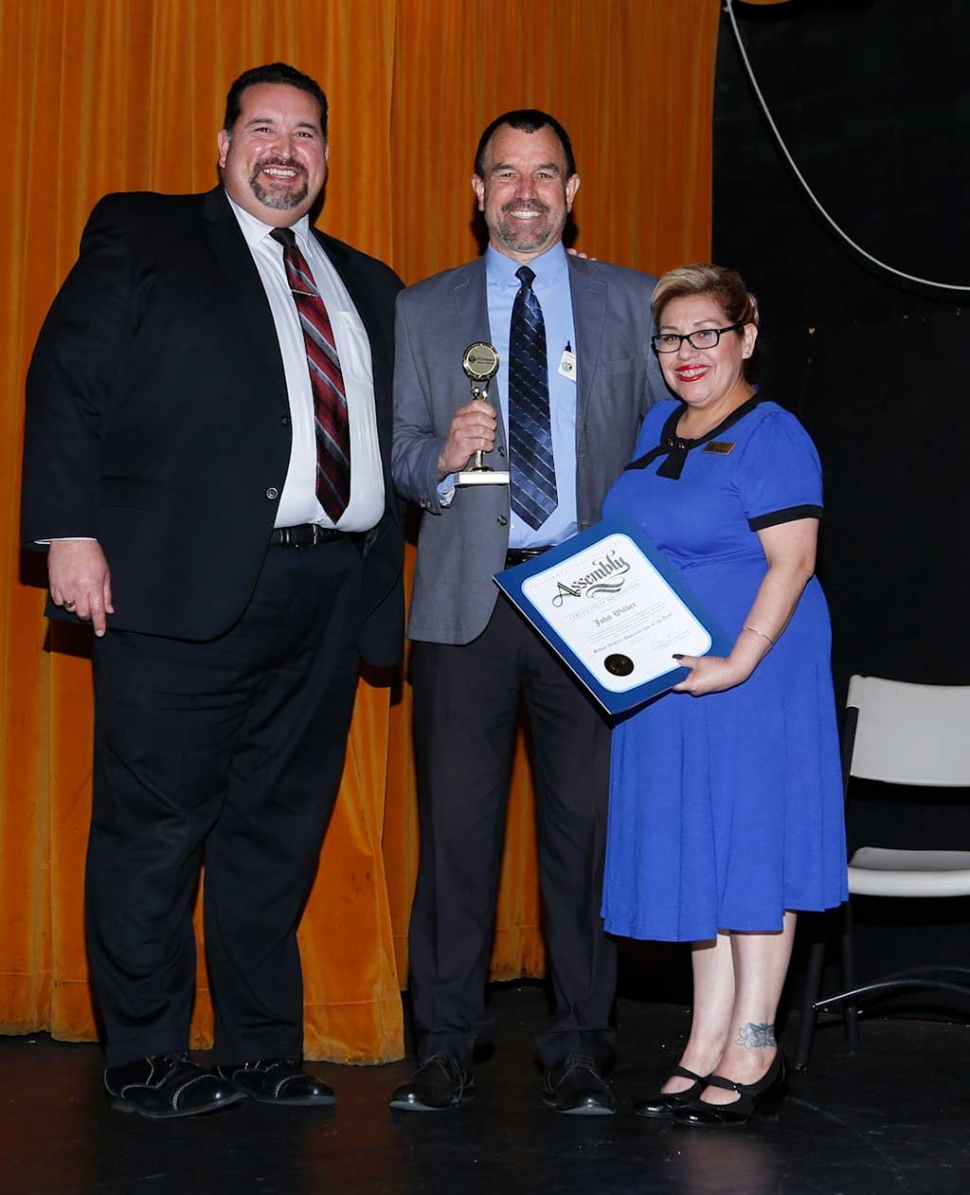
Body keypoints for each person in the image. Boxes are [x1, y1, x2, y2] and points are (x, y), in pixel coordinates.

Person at [20, 62, 404, 1120]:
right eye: (264, 128)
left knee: (275, 833)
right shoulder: (143, 233)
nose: (286, 149)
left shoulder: (369, 284)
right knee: (153, 827)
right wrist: (68, 532)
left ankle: (257, 1047)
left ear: (326, 155)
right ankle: (144, 1052)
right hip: (172, 583)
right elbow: (67, 377)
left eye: (307, 133)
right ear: (222, 144)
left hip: (331, 592)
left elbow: (409, 431)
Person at [390, 110, 664, 1114]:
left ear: (572, 191)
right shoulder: (421, 312)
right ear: (475, 193)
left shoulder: (635, 303)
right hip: (465, 603)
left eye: (545, 173)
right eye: (504, 173)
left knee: (584, 834)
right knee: (455, 835)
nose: (524, 190)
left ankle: (583, 1042)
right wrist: (440, 457)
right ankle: (445, 1043)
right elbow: (395, 455)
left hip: (590, 600)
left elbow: (668, 444)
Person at [600, 264, 847, 1126]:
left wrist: (738, 660)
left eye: (707, 333)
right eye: (671, 337)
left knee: (752, 848)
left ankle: (755, 1039)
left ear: (745, 338)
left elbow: (795, 560)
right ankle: (704, 1043)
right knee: (703, 854)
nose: (687, 352)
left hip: (754, 673)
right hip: (674, 680)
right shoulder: (655, 426)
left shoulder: (774, 431)